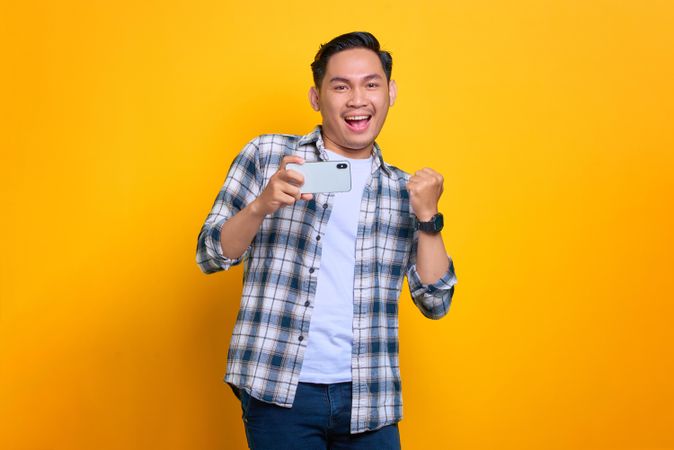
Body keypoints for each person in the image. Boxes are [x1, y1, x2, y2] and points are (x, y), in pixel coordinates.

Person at [196, 31, 457, 450]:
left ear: (389, 92)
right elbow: (210, 255)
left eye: (371, 84)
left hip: (369, 396)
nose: (357, 99)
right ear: (317, 97)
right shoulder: (268, 155)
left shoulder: (403, 189)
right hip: (278, 388)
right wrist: (261, 206)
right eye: (341, 86)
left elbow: (435, 302)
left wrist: (428, 217)